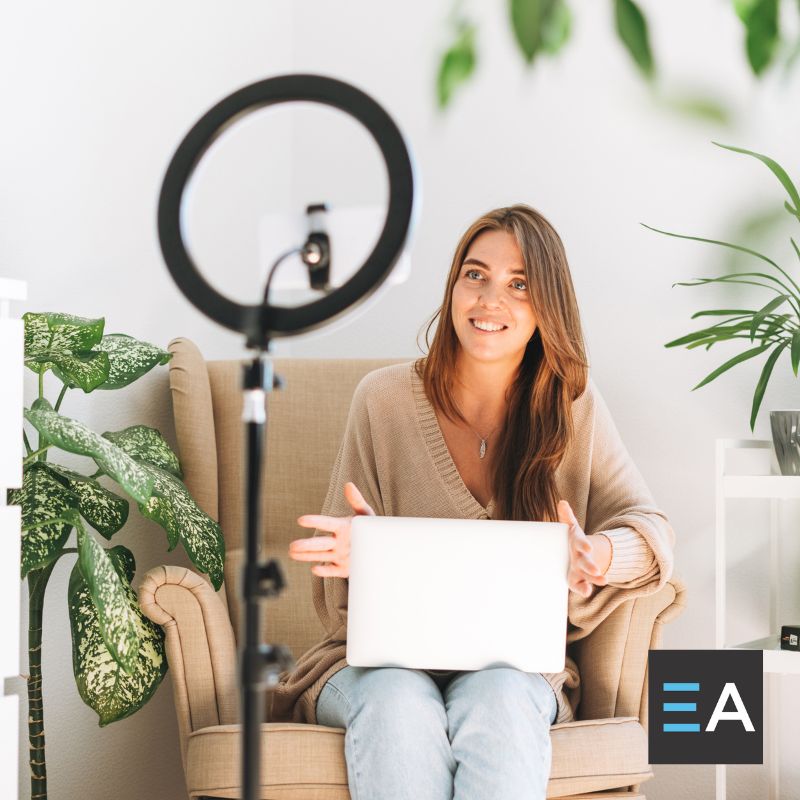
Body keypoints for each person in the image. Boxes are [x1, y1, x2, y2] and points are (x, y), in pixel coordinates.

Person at [269, 204, 675, 800]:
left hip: (511, 674)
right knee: (397, 703)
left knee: (502, 700)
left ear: (548, 309)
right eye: (475, 274)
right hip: (375, 672)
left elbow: (651, 530)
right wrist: (368, 558)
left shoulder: (573, 409)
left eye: (519, 286)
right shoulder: (381, 401)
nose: (490, 300)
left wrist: (599, 555)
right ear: (453, 285)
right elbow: (339, 608)